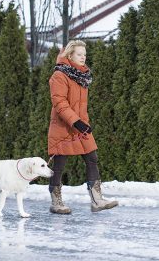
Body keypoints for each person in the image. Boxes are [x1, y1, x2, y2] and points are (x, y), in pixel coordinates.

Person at [47, 40, 118, 214]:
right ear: (70, 55)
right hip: (64, 127)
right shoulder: (59, 75)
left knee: (92, 158)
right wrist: (75, 121)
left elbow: (80, 105)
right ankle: (56, 202)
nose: (83, 57)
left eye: (85, 54)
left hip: (80, 126)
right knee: (59, 165)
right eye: (79, 54)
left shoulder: (81, 76)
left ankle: (97, 200)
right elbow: (59, 102)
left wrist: (83, 123)